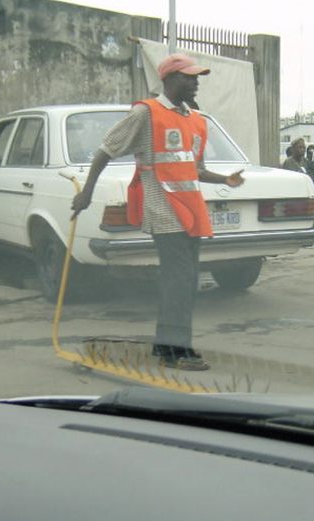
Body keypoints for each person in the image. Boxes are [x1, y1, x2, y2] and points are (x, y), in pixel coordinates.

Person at [70, 53, 245, 371]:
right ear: (169, 79)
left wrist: (225, 179)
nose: (195, 83)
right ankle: (175, 351)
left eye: (197, 77)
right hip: (163, 210)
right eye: (189, 77)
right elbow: (107, 149)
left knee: (186, 281)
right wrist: (87, 192)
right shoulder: (146, 113)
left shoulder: (197, 120)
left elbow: (196, 169)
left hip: (191, 212)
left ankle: (167, 345)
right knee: (180, 281)